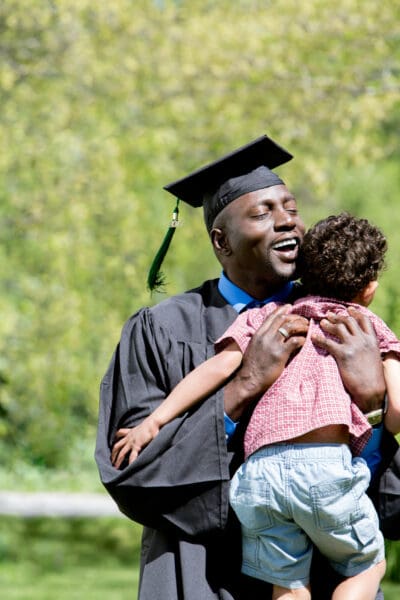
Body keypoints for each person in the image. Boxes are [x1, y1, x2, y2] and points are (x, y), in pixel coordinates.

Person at [95, 135, 392, 600]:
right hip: (197, 575)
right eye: (262, 213)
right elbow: (134, 477)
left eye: (290, 209)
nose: (286, 222)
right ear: (221, 241)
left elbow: (387, 495)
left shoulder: (339, 322)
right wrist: (245, 382)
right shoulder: (162, 328)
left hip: (322, 574)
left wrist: (374, 404)